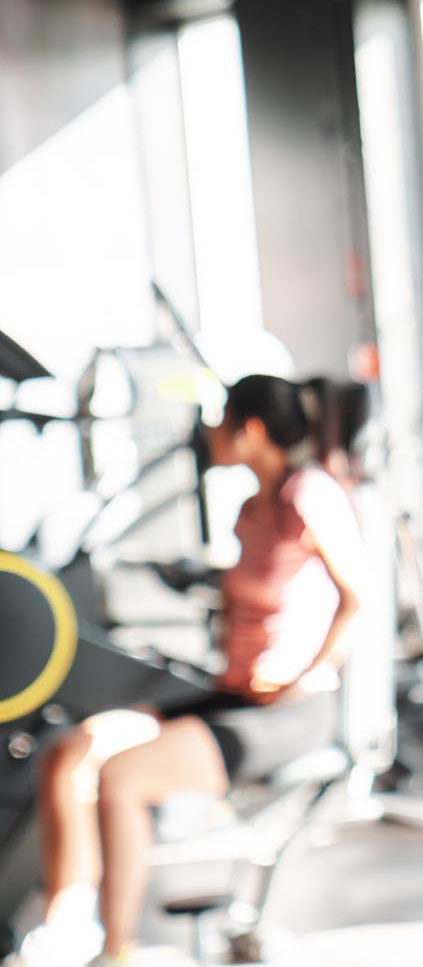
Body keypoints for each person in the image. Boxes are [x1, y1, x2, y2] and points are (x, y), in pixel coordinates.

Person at [9, 375, 365, 967]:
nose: (211, 432)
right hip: (233, 696)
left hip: (292, 711)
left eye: (222, 419)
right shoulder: (250, 508)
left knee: (123, 778)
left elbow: (357, 599)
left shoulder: (306, 492)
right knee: (72, 752)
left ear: (251, 430)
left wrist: (305, 673)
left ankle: (115, 951)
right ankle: (60, 933)